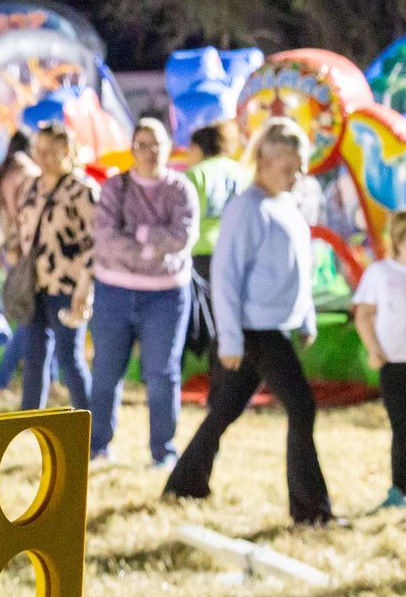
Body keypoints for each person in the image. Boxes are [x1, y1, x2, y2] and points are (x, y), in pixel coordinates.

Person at [163, 117, 338, 526]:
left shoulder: (285, 204)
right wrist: (230, 339)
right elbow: (226, 277)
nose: (295, 176)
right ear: (263, 160)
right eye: (287, 168)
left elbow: (297, 268)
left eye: (299, 168)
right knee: (302, 406)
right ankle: (311, 510)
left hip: (273, 325)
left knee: (224, 409)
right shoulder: (246, 208)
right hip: (254, 330)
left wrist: (305, 316)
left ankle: (184, 484)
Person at [88, 118, 198, 467]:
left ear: (168, 148)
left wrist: (136, 235)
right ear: (132, 148)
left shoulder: (180, 189)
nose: (149, 152)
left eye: (156, 145)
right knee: (106, 371)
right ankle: (97, 447)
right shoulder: (114, 187)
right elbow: (104, 239)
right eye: (142, 145)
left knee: (162, 374)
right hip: (113, 291)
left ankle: (162, 452)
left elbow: (181, 237)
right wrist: (155, 244)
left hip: (165, 295)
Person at [7, 122, 97, 411]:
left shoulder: (81, 189)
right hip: (35, 284)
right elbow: (21, 226)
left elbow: (94, 243)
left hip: (67, 285)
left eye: (50, 151)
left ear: (66, 150)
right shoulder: (32, 185)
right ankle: (30, 422)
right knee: (33, 358)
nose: (42, 157)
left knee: (70, 357)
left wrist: (85, 287)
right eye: (38, 150)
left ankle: (90, 427)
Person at [353, 208, 406, 509]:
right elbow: (363, 315)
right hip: (393, 363)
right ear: (399, 240)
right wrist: (374, 349)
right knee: (402, 426)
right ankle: (399, 489)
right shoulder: (380, 273)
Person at [0, 128, 39, 390]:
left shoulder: (3, 170)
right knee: (28, 317)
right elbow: (23, 212)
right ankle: (2, 377)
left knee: (32, 317)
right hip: (22, 251)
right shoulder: (25, 170)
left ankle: (48, 377)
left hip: (7, 249)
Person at [186, 122, 247, 285]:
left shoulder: (195, 174)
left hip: (202, 250)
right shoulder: (241, 172)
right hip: (236, 249)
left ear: (198, 147)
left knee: (206, 307)